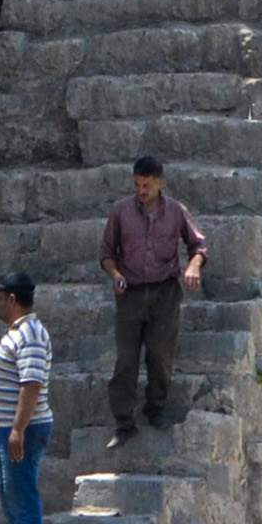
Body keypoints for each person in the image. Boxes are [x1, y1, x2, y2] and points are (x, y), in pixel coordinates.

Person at [99, 157, 207, 446]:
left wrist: (193, 266)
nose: (141, 190)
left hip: (165, 292)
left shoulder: (176, 212)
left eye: (147, 185)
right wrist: (115, 274)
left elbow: (198, 245)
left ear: (160, 183)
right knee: (125, 360)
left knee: (160, 355)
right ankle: (123, 422)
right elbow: (107, 253)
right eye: (137, 184)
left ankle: (155, 408)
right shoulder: (120, 212)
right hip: (130, 293)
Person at [0, 273, 53, 524]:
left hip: (27, 428)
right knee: (9, 490)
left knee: (21, 491)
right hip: (9, 426)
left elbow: (31, 384)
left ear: (12, 299)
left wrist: (17, 429)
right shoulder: (17, 333)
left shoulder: (31, 334)